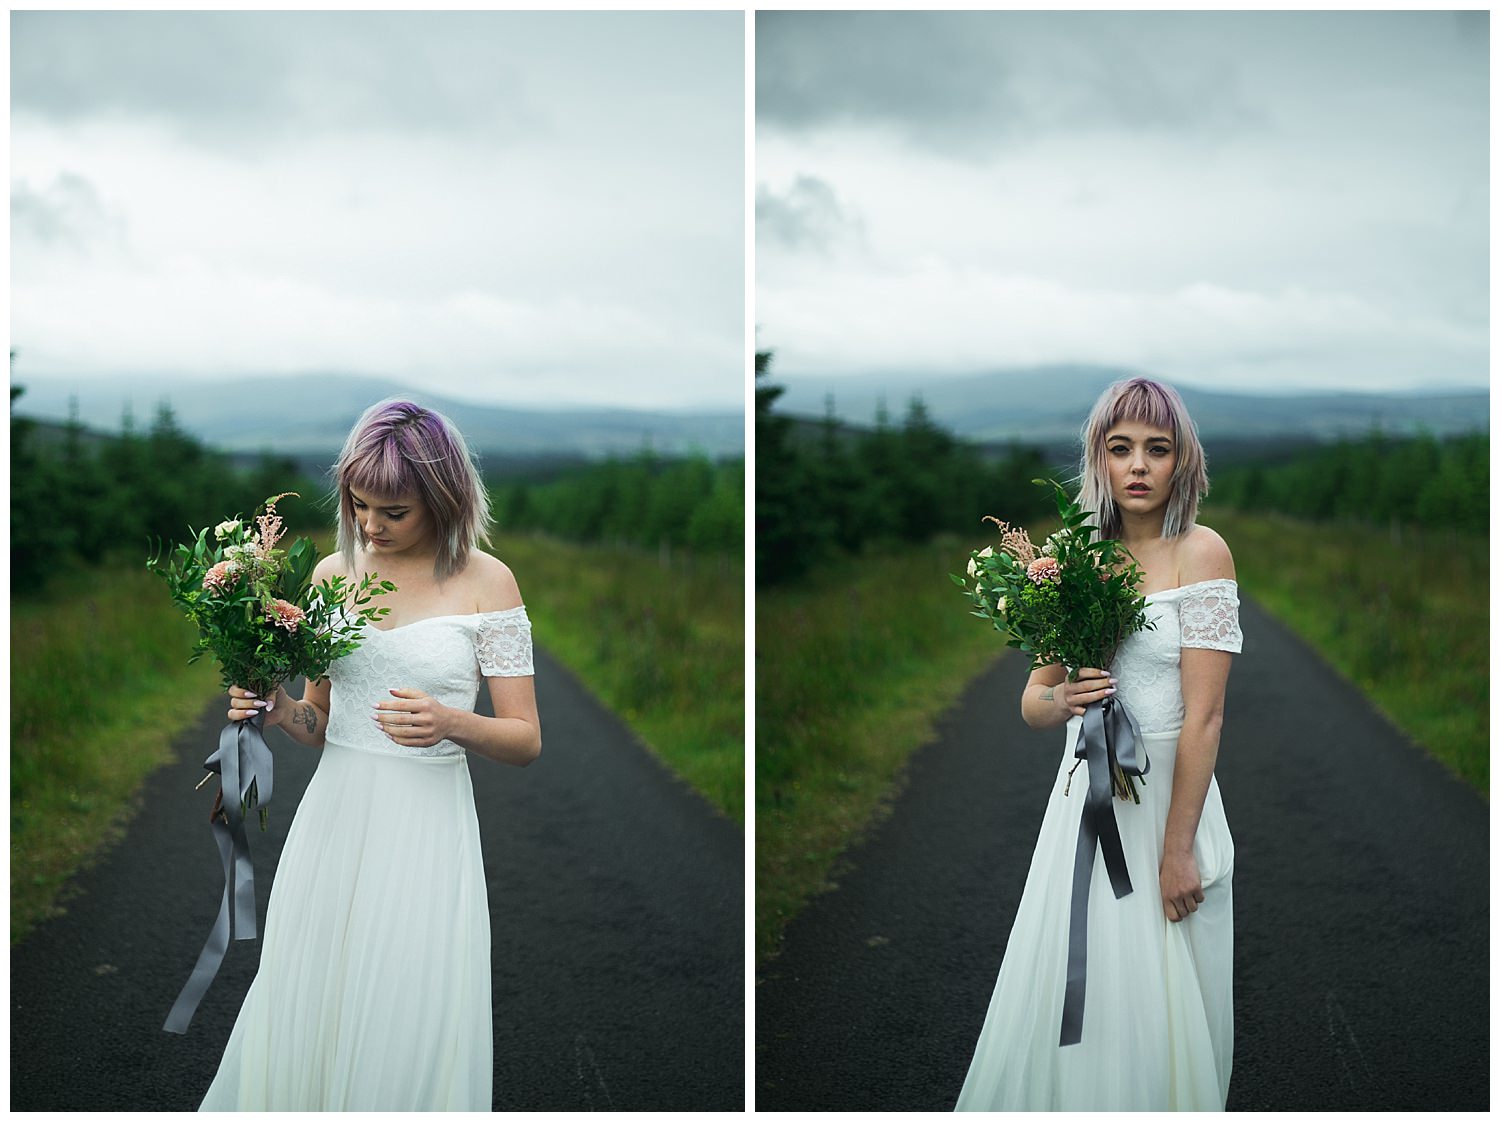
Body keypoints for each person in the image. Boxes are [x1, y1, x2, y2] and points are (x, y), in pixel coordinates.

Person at [200, 398, 542, 1111]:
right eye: (359, 506)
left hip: (426, 826)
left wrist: (455, 722)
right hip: (335, 816)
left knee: (406, 995)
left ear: (442, 500)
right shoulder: (332, 575)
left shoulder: (489, 582)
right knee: (313, 984)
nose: (370, 526)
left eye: (394, 511)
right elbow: (318, 719)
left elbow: (525, 739)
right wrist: (275, 705)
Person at [955, 377, 1241, 1111]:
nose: (1139, 465)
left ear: (1183, 462)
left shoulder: (1201, 554)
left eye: (1157, 449)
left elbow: (1204, 719)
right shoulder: (1077, 559)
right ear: (1100, 462)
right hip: (1083, 805)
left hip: (1168, 806)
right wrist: (1063, 699)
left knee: (1169, 995)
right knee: (1079, 990)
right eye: (1121, 450)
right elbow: (1033, 700)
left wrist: (1179, 850)